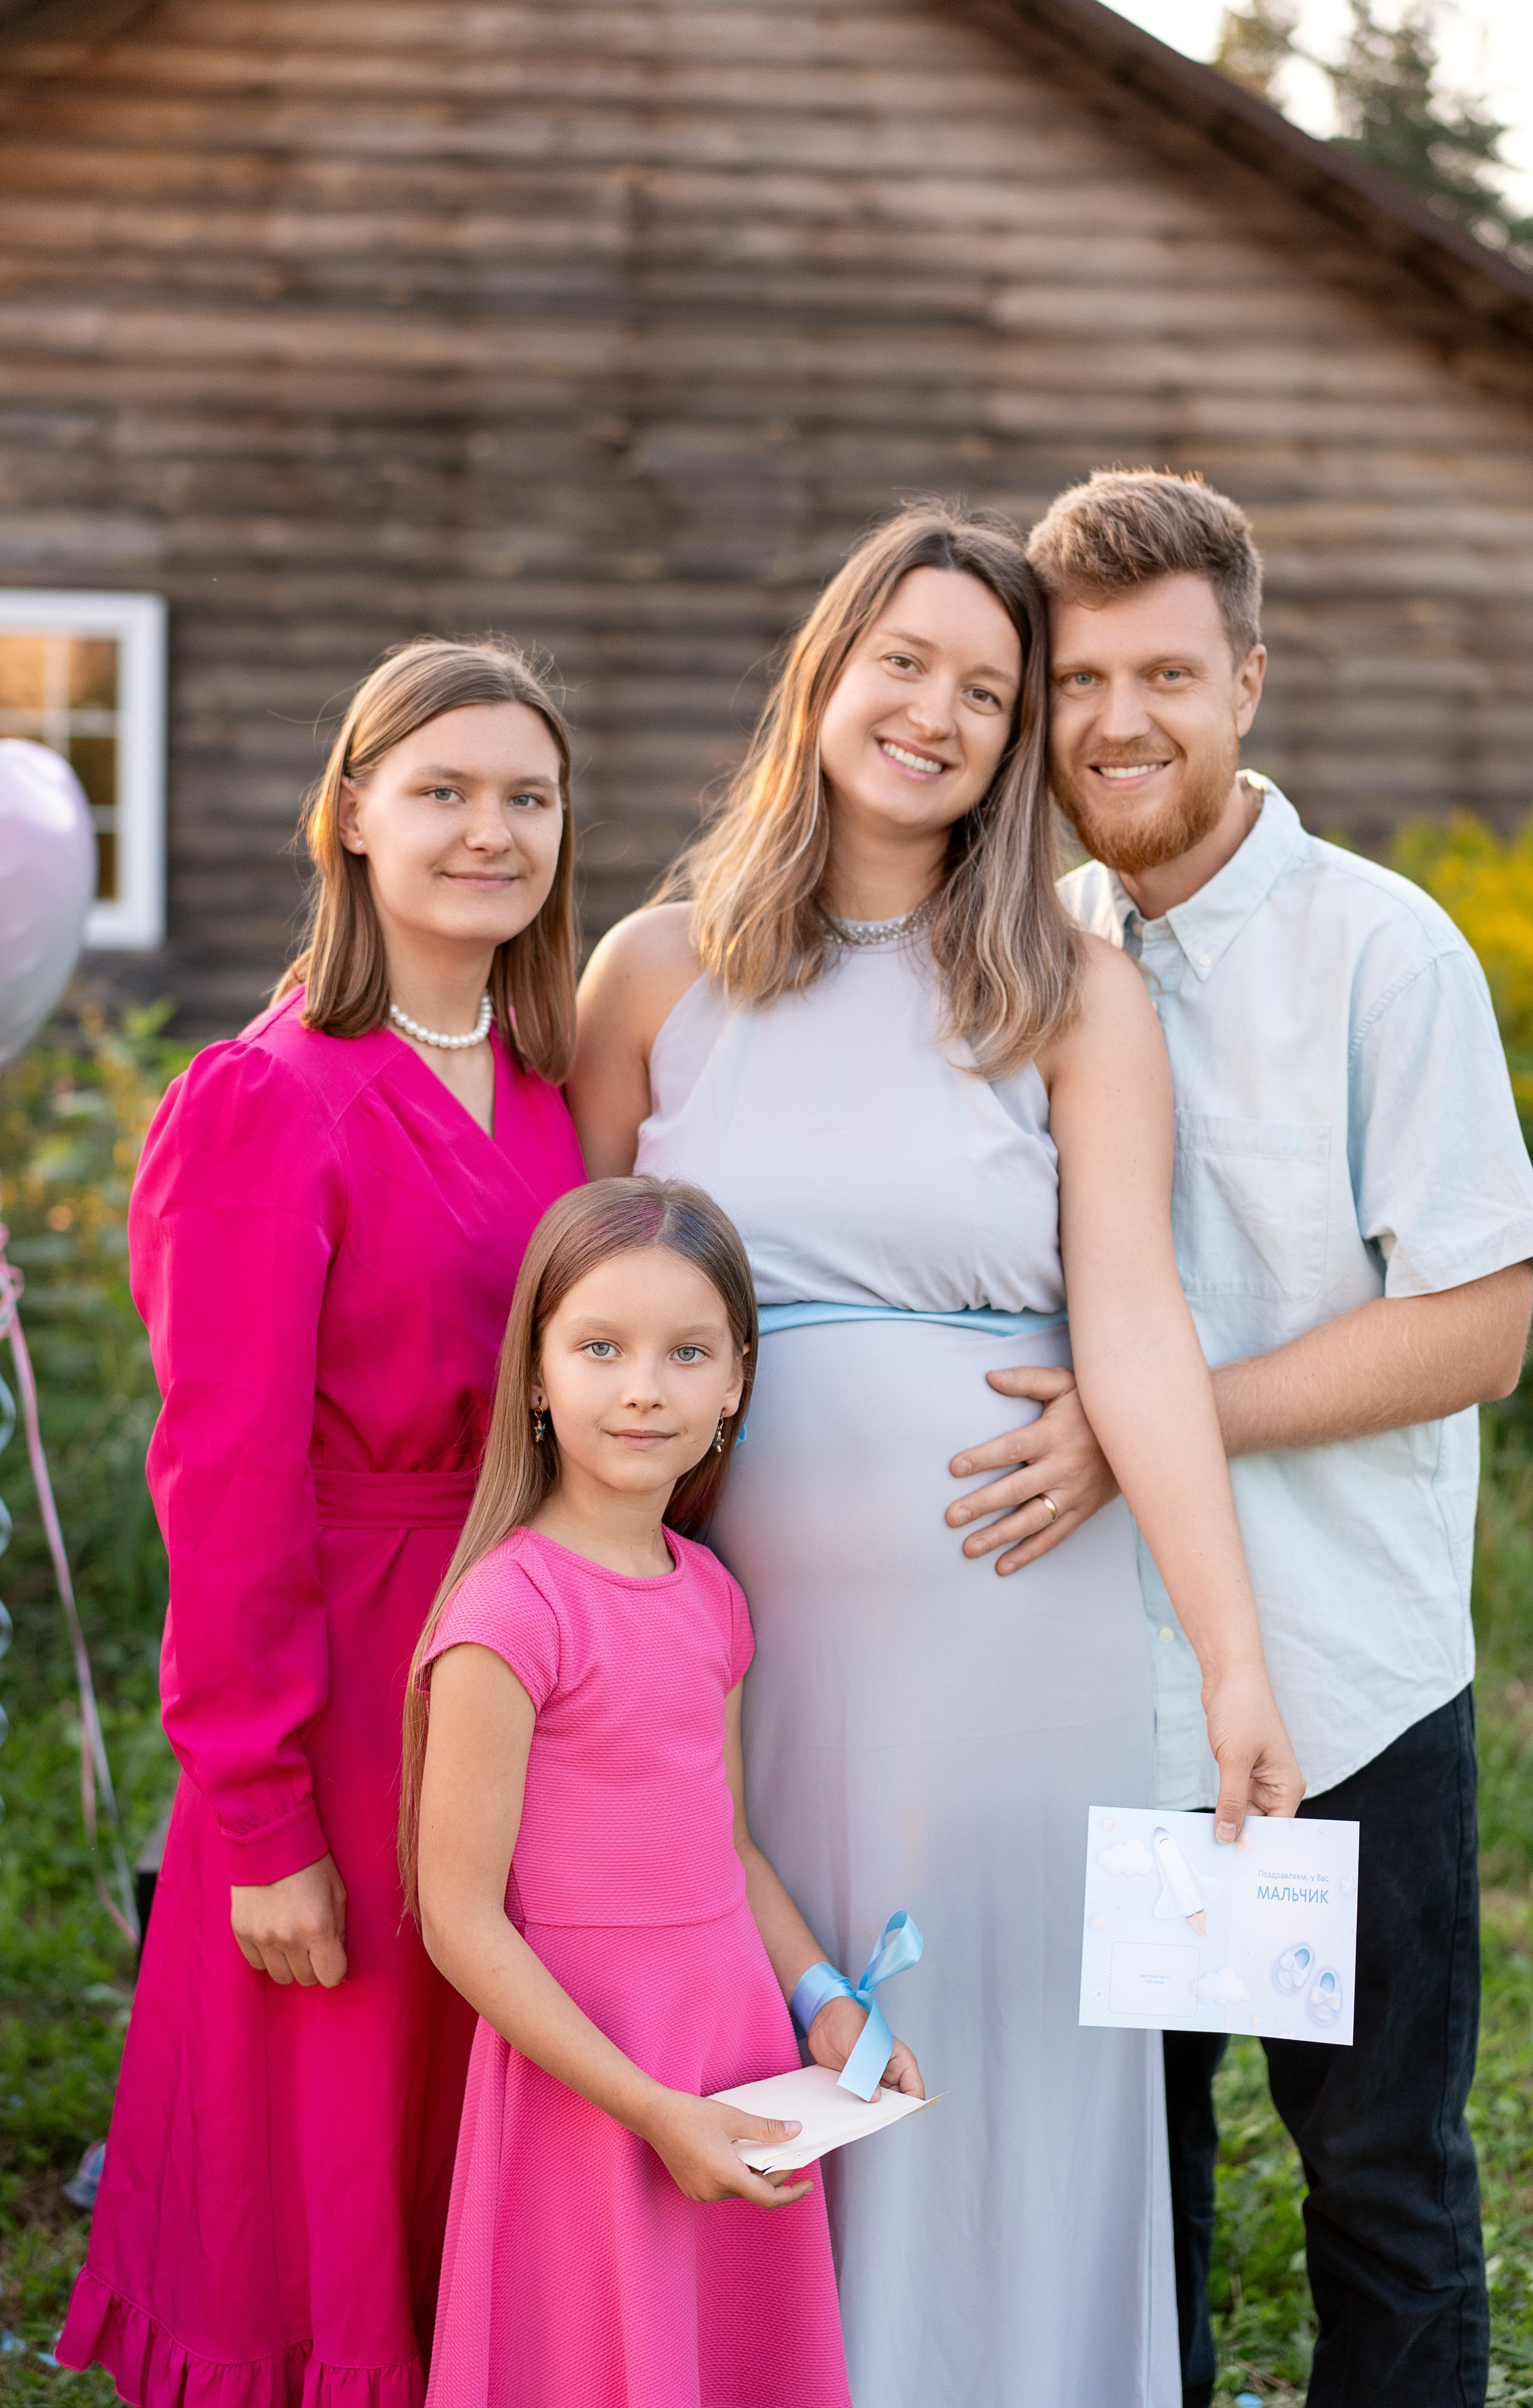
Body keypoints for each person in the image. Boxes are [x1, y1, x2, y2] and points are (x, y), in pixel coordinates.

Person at [569, 504, 1303, 2408]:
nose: (941, 713)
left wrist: (1232, 1658)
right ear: (827, 671)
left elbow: (1135, 1325)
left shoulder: (1069, 997)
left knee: (992, 2060)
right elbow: (575, 1317)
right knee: (757, 2024)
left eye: (992, 691)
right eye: (906, 661)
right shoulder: (656, 976)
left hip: (1013, 1637)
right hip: (728, 1647)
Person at [964, 467, 1533, 2407]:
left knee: (1380, 2186)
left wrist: (1155, 1427)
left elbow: (1479, 1327)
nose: (1118, 721)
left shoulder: (1383, 955)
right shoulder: (1008, 955)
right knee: (1118, 2202)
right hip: (1063, 1688)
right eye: (1075, 681)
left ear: (1250, 685)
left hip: (1337, 1686)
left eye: (1167, 675)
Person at [60, 641, 588, 2408]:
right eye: (442, 790)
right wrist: (261, 1810)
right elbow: (222, 1478)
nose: (487, 831)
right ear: (353, 814)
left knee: (482, 2133)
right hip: (343, 1683)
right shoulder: (267, 1096)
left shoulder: (552, 1087)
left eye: (526, 795)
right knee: (329, 2164)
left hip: (519, 1666)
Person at [405, 1175, 921, 2408]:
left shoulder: (709, 1593)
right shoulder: (507, 1613)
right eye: (599, 1348)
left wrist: (826, 2006)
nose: (643, 1389)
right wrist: (648, 2109)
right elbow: (459, 1921)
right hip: (594, 2074)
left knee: (724, 2349)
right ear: (536, 1374)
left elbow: (728, 1849)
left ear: (736, 1378)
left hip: (731, 2048)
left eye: (686, 1353)